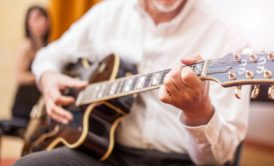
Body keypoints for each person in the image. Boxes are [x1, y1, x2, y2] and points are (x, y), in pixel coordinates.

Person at [15, 0, 250, 165]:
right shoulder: (107, 13)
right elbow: (49, 55)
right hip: (103, 153)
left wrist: (198, 111)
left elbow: (217, 159)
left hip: (181, 160)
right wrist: (48, 77)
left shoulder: (228, 38)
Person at [11, 5, 50, 120]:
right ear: (28, 24)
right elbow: (19, 77)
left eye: (42, 18)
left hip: (40, 103)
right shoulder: (26, 46)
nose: (40, 22)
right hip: (25, 103)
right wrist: (43, 76)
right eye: (35, 19)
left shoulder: (49, 46)